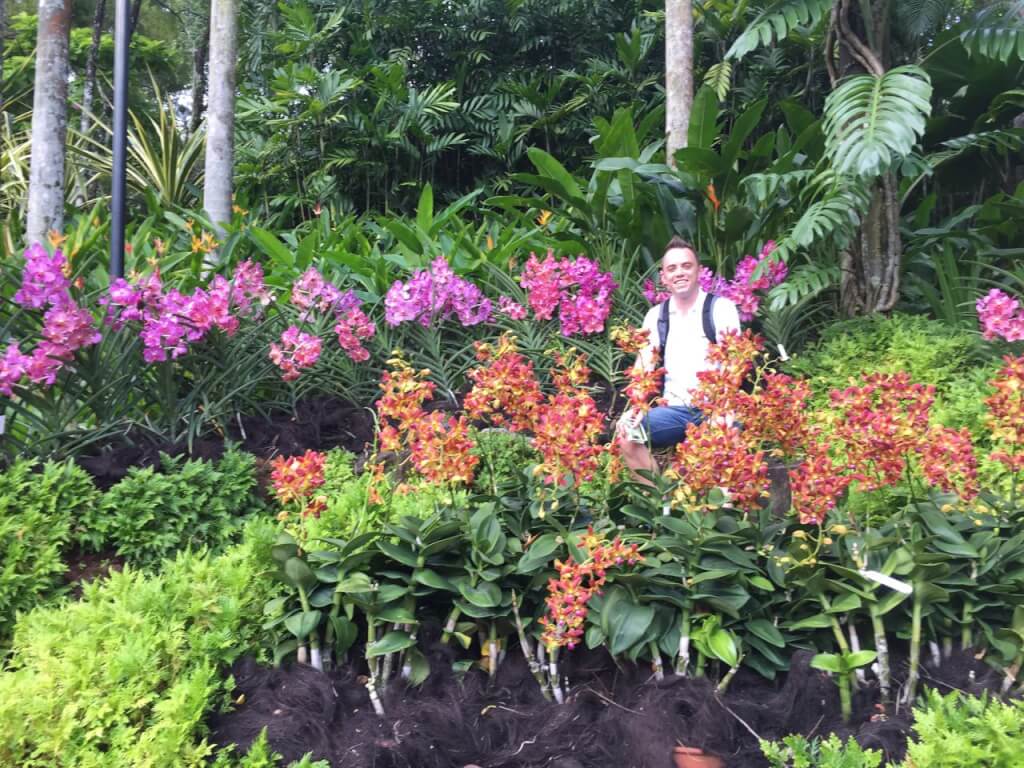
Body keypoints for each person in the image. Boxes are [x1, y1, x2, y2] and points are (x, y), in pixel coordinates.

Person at [616, 236, 741, 480]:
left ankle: (721, 512)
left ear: (698, 271)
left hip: (714, 406)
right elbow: (643, 368)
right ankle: (658, 507)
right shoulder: (656, 316)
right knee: (626, 435)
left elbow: (733, 365)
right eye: (672, 268)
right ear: (663, 277)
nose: (679, 273)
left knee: (725, 437)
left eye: (686, 266)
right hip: (673, 411)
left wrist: (721, 409)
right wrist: (634, 409)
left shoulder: (720, 308)